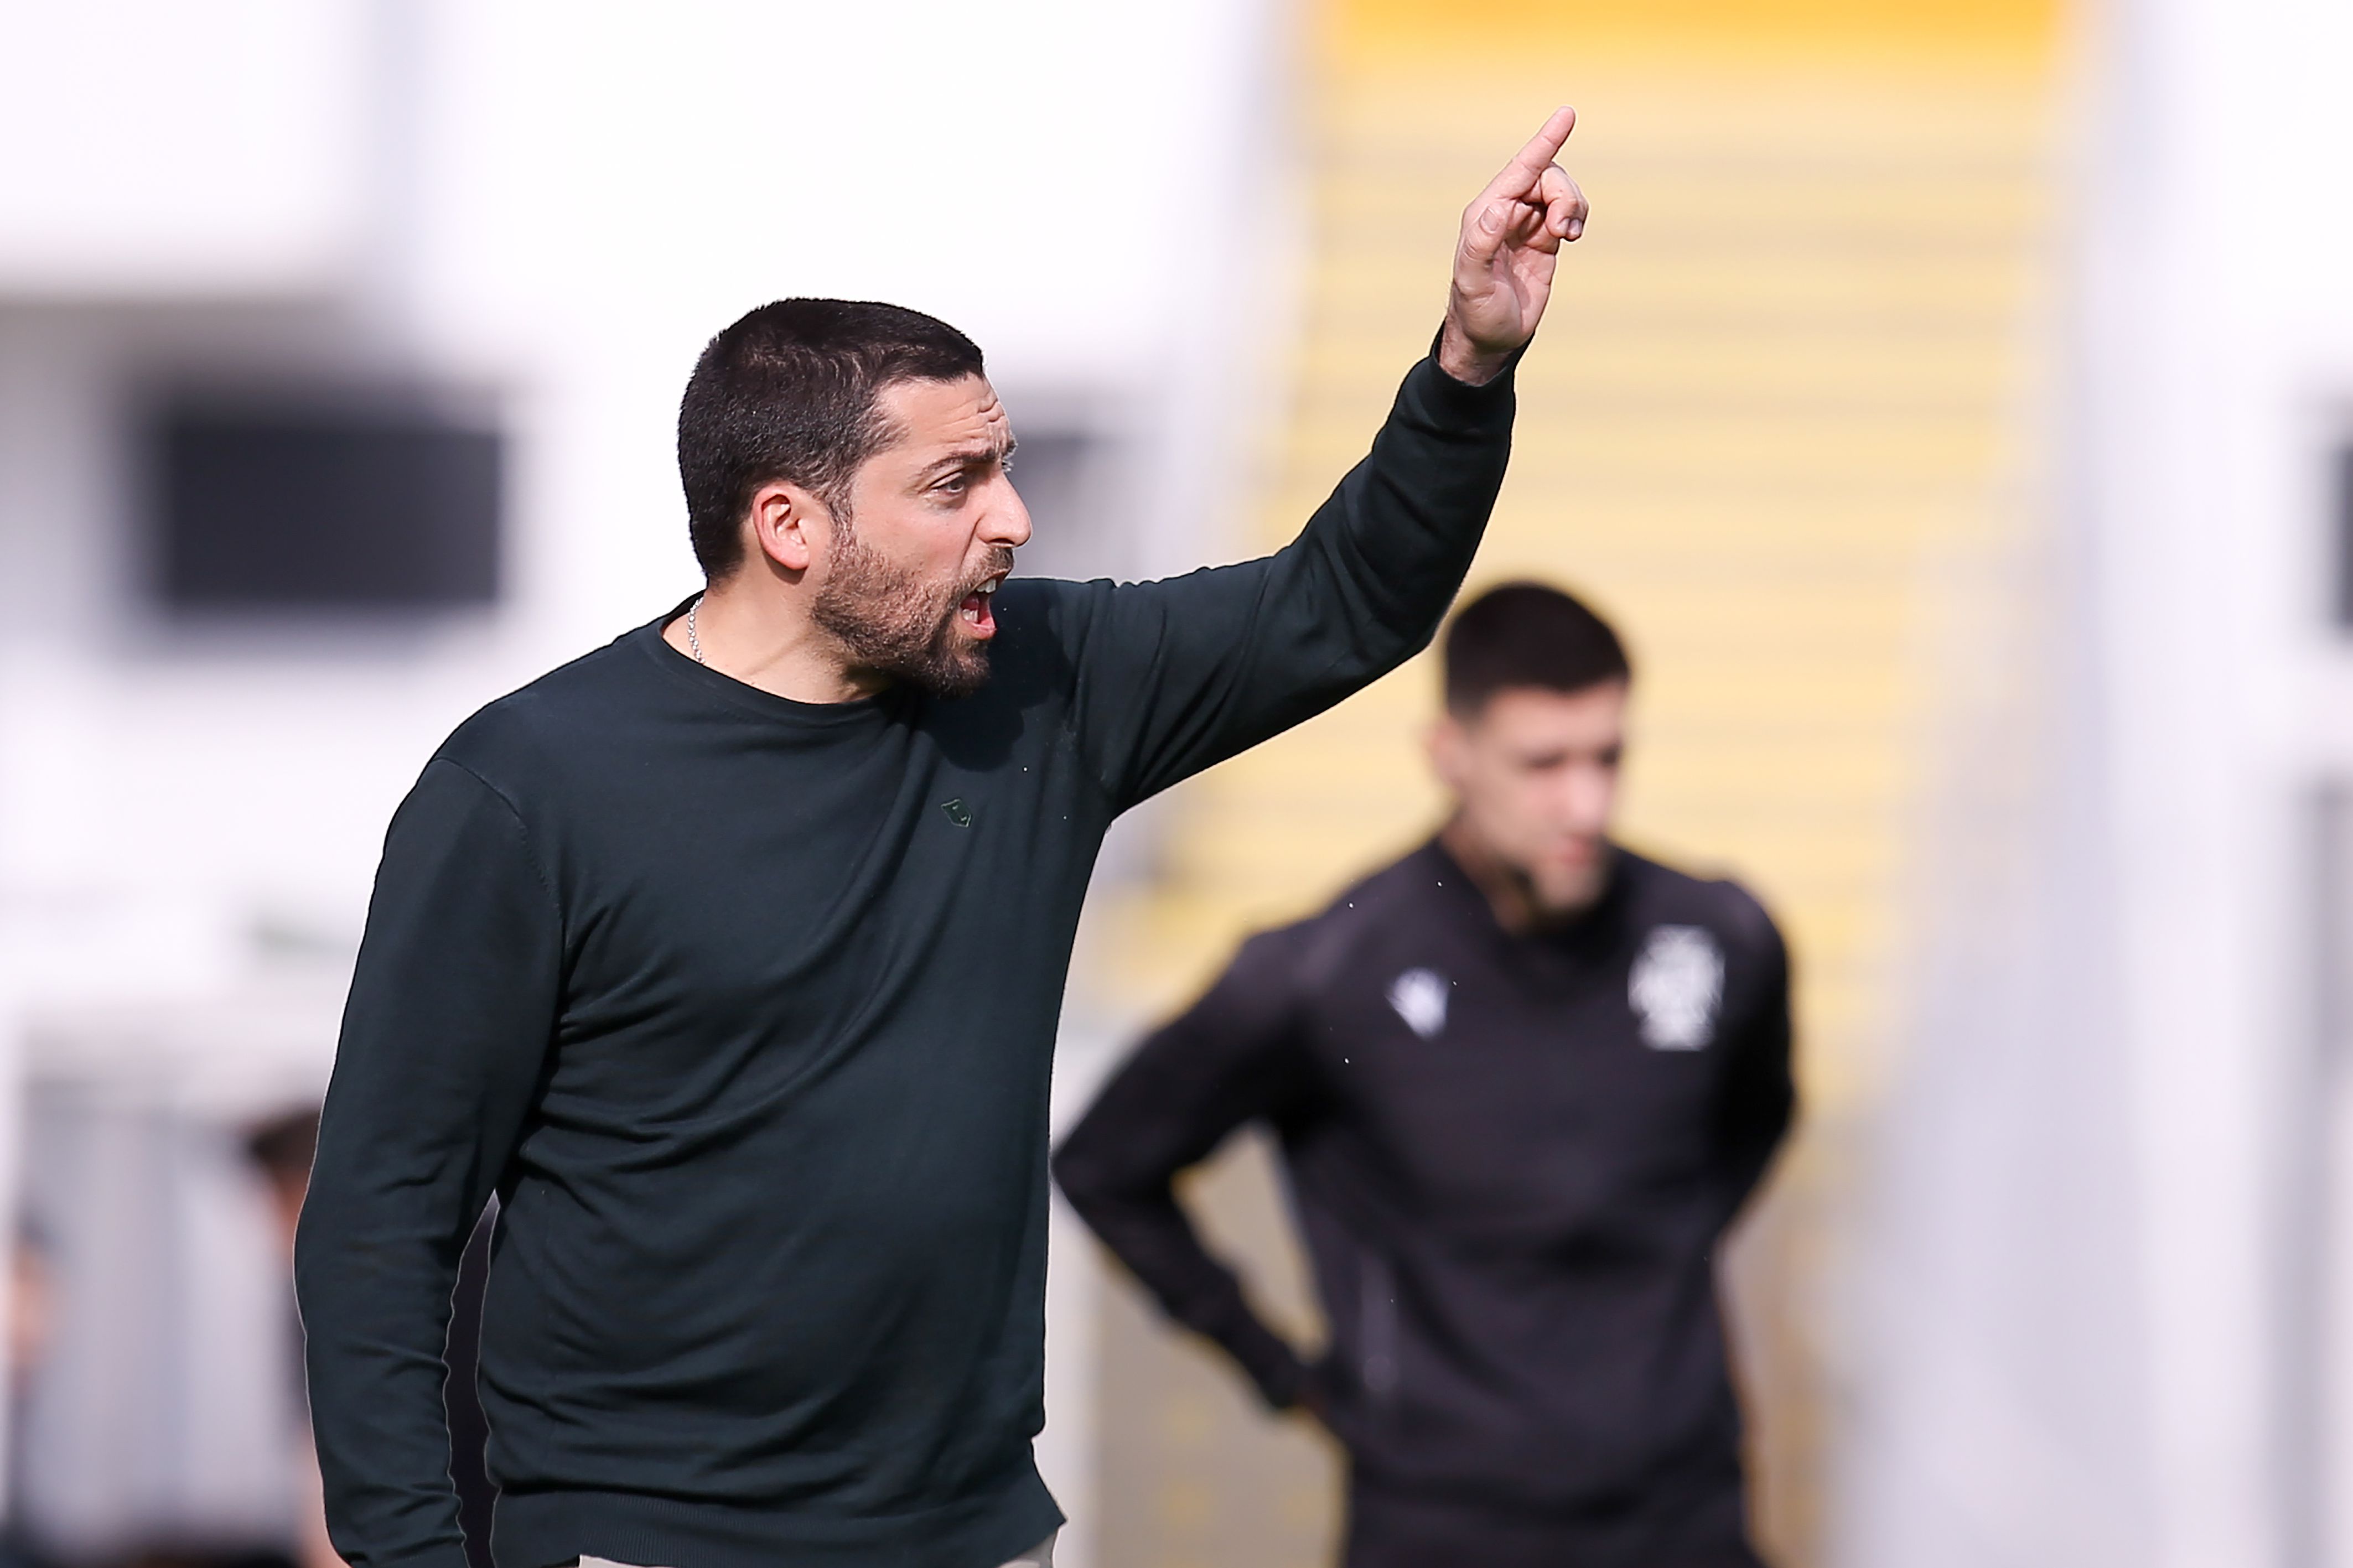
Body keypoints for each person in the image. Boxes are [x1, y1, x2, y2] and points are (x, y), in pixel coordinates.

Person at [294, 111, 1588, 1568]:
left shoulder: (1046, 686)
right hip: (646, 1541)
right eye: (953, 483)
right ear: (789, 525)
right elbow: (381, 1218)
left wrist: (1468, 366)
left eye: (1004, 465)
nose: (1013, 517)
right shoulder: (528, 786)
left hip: (975, 1536)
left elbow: (1344, 602)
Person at [1053, 583, 1795, 1568]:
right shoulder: (1327, 973)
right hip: (1443, 1520)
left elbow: (1754, 1123)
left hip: (1684, 1510)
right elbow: (1106, 1167)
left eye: (1608, 756)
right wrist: (1284, 1372)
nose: (1587, 802)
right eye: (1544, 763)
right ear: (1450, 754)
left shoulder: (1719, 934)